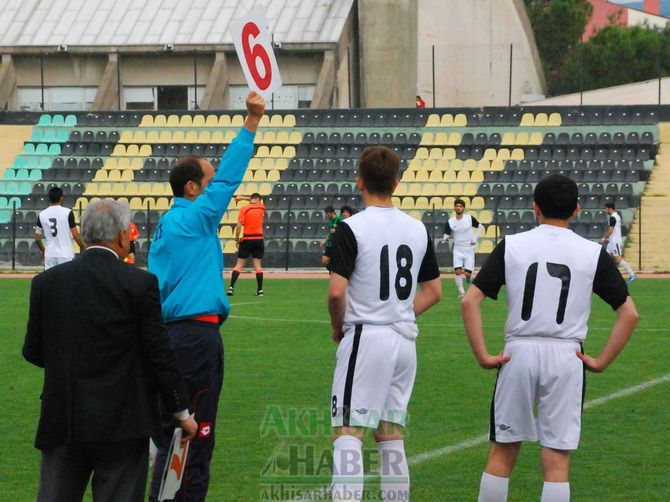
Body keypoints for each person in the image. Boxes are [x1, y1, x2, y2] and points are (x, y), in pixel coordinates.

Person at [461, 175, 638, 502]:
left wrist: (483, 355)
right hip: (566, 356)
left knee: (503, 451)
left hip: (518, 353)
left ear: (535, 207)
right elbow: (629, 314)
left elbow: (469, 300)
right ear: (576, 210)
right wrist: (600, 362)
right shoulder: (591, 252)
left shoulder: (512, 244)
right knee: (556, 458)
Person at [23, 199, 197, 502]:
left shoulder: (47, 283)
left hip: (63, 415)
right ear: (121, 236)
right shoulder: (139, 283)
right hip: (124, 420)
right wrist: (181, 411)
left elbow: (33, 351)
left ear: (86, 235)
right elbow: (159, 354)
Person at [147, 91, 265, 501]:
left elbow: (154, 288)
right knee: (197, 433)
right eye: (209, 182)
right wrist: (251, 122)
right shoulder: (198, 217)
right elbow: (231, 176)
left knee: (174, 430)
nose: (216, 188)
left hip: (169, 336)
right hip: (197, 337)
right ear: (193, 187)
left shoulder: (164, 227)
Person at [328, 146, 442, 501]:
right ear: (396, 181)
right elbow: (434, 291)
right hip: (404, 341)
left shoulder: (350, 227)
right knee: (390, 435)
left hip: (367, 337)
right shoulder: (417, 228)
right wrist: (399, 313)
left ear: (359, 181)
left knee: (348, 432)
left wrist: (339, 326)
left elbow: (335, 294)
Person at [34, 186, 86, 269]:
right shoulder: (68, 212)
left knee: (51, 281)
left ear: (49, 199)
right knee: (66, 281)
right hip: (65, 255)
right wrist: (83, 247)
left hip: (50, 255)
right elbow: (75, 234)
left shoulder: (42, 214)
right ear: (61, 198)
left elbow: (37, 238)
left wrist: (43, 250)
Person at [442, 198, 484, 300]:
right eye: (457, 206)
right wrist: (445, 239)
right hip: (457, 249)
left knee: (468, 274)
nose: (458, 208)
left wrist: (475, 237)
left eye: (460, 206)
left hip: (469, 249)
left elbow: (481, 227)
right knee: (457, 271)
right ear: (454, 207)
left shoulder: (469, 218)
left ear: (464, 208)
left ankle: (468, 277)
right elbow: (446, 234)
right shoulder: (450, 222)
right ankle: (462, 292)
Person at [228, 192, 266, 296]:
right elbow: (254, 199)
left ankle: (231, 288)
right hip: (259, 239)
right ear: (259, 199)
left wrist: (236, 239)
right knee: (258, 266)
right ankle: (260, 290)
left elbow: (239, 226)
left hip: (247, 239)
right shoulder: (262, 207)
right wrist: (244, 198)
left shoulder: (244, 209)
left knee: (239, 265)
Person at [600, 202, 637, 282]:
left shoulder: (613, 217)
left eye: (606, 209)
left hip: (615, 241)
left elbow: (611, 230)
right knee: (605, 257)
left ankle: (632, 274)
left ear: (610, 208)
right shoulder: (617, 216)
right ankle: (606, 276)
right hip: (612, 241)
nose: (605, 211)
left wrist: (603, 238)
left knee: (618, 260)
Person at [321, 205, 342, 270]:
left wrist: (337, 230)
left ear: (333, 213)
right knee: (324, 261)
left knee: (335, 261)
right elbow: (330, 232)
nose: (327, 215)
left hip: (336, 244)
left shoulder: (339, 219)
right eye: (326, 214)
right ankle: (333, 271)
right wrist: (325, 241)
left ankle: (335, 273)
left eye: (328, 214)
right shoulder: (330, 221)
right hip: (329, 244)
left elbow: (342, 230)